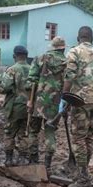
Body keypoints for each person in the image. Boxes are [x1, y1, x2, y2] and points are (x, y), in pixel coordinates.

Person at [62, 26, 93, 187]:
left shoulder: (74, 52)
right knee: (89, 137)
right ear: (91, 38)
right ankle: (84, 172)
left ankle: (83, 177)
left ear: (78, 37)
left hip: (80, 100)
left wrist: (64, 96)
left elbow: (69, 76)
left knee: (79, 138)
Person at [27, 37, 67, 172]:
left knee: (33, 131)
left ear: (52, 47)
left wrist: (30, 100)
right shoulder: (67, 62)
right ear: (63, 48)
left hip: (38, 102)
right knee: (50, 132)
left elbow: (31, 79)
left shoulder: (41, 58)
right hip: (56, 104)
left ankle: (33, 160)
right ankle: (47, 165)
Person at [0, 45, 31, 166]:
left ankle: (9, 159)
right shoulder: (32, 69)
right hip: (29, 106)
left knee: (9, 132)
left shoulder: (12, 69)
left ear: (14, 56)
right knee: (24, 132)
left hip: (14, 106)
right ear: (26, 56)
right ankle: (22, 159)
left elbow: (4, 88)